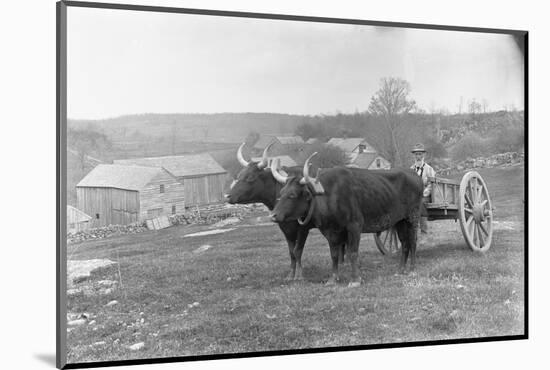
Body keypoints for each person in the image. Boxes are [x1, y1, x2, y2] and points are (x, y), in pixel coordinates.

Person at [410, 143, 435, 233]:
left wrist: (424, 193)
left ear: (423, 155)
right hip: (413, 195)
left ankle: (424, 230)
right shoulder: (411, 169)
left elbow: (432, 184)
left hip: (426, 196)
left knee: (421, 202)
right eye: (416, 154)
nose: (418, 157)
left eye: (420, 154)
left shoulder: (429, 169)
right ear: (414, 156)